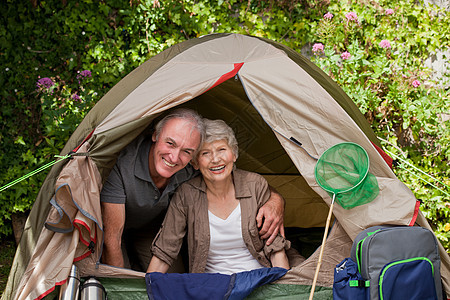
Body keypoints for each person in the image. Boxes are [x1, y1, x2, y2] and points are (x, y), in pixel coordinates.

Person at [100, 109, 285, 271]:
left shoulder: (192, 168)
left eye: (187, 151)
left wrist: (276, 201)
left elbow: (249, 184)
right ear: (155, 135)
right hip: (114, 229)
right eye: (170, 143)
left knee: (171, 282)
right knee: (121, 272)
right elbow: (112, 239)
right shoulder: (123, 165)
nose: (174, 158)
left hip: (153, 230)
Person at [147, 119, 290, 274]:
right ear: (195, 162)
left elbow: (275, 248)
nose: (215, 159)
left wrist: (283, 291)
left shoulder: (254, 184)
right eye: (205, 153)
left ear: (234, 154)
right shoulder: (186, 194)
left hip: (258, 279)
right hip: (213, 287)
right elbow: (165, 250)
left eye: (222, 149)